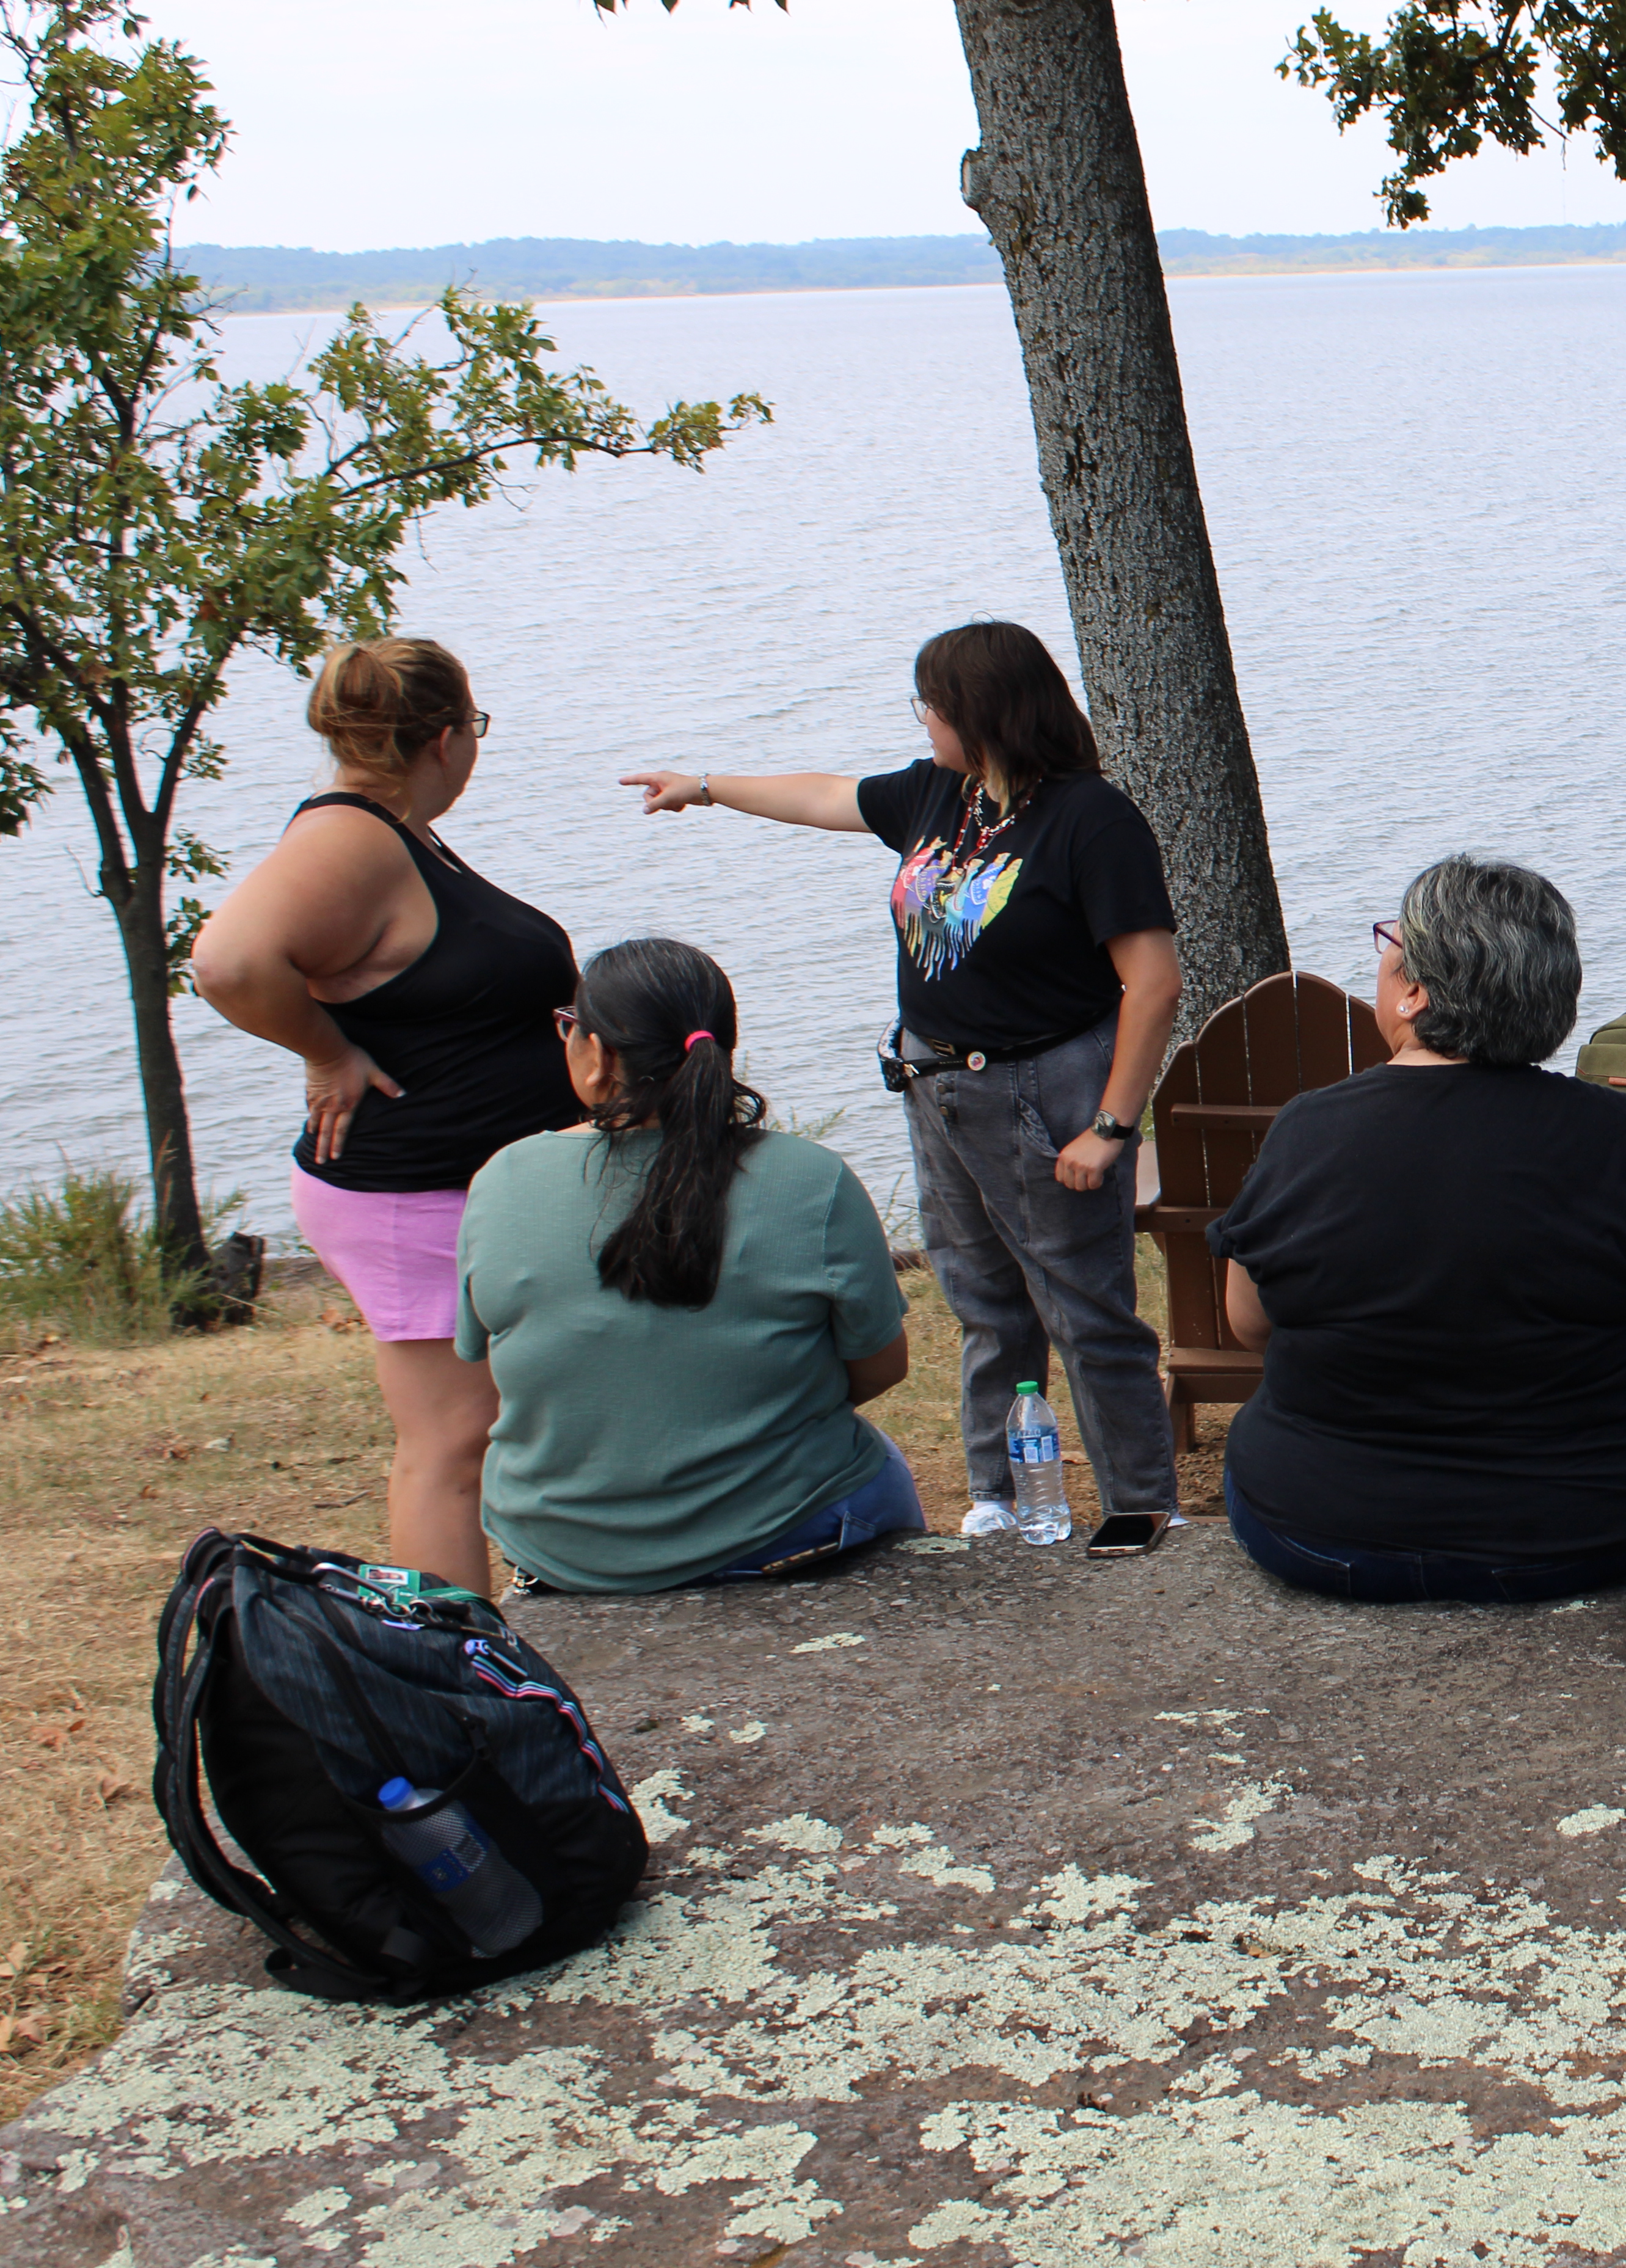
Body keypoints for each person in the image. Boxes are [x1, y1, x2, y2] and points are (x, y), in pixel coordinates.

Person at [619, 621, 1183, 1537]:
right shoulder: (940, 794)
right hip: (938, 1089)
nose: (922, 719)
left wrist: (1113, 1127)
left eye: (933, 704)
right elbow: (825, 796)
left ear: (984, 711)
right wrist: (708, 788)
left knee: (1086, 1312)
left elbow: (1153, 982)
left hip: (1045, 1096)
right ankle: (1000, 1500)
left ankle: (1142, 1508)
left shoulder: (1092, 821)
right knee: (985, 1304)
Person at [1202, 856, 1626, 1602]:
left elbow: (1248, 1321)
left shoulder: (1306, 1131)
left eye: (1391, 944)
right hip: (1584, 1530)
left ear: (1416, 992)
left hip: (1318, 1528)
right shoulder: (1614, 1134)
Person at [191, 638, 577, 1597]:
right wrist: (325, 1051)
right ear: (445, 738)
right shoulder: (350, 837)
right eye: (475, 730)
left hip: (461, 1187)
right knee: (448, 1445)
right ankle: (454, 1689)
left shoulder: (396, 832)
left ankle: (512, 1648)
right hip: (413, 1193)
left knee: (491, 1430)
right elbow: (227, 963)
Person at [458, 940, 921, 1593]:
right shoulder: (812, 1180)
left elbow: (496, 1367)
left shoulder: (503, 1180)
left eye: (570, 1026)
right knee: (878, 1462)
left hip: (563, 1546)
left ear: (599, 1057)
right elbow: (881, 1365)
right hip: (788, 1528)